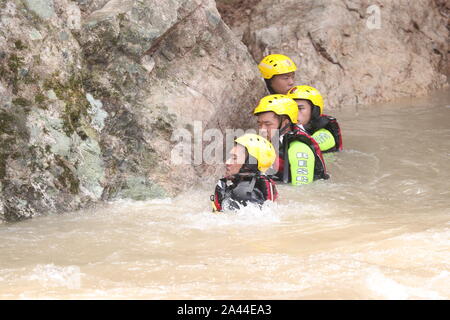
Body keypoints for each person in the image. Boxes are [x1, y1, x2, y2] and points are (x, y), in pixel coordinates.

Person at [253, 94, 329, 185]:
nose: (262, 130)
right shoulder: (268, 143)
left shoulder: (299, 149)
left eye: (268, 124)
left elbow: (301, 191)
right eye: (259, 124)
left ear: (285, 123)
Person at [211, 133, 278, 212]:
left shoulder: (243, 195)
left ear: (249, 165)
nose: (227, 162)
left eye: (234, 158)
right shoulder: (253, 187)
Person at [287, 85, 343, 153]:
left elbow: (301, 150)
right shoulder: (287, 127)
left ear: (314, 111)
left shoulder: (325, 136)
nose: (294, 113)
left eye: (300, 108)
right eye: (291, 108)